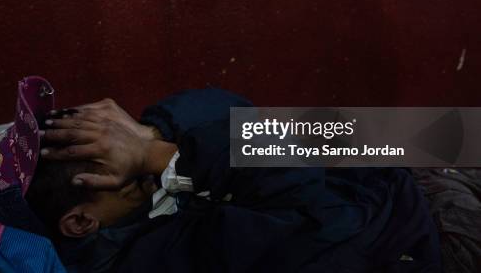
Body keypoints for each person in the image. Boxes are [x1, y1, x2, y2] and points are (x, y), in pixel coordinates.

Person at [27, 89, 441, 273]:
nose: (142, 177)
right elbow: (314, 213)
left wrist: (152, 131)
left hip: (381, 188)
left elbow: (232, 107)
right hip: (416, 235)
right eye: (128, 179)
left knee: (331, 129)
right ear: (80, 222)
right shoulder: (157, 260)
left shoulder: (126, 219)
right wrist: (156, 154)